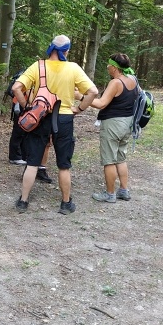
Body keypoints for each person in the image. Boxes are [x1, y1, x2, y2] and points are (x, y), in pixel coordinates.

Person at [11, 35, 98, 214]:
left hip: (40, 117)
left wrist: (27, 106)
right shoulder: (73, 68)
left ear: (50, 48)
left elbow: (16, 88)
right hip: (64, 119)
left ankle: (23, 201)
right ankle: (65, 203)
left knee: (33, 162)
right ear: (66, 51)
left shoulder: (38, 66)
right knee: (63, 164)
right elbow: (93, 92)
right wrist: (79, 108)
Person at [88, 53, 136, 203]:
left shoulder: (116, 83)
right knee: (121, 158)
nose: (107, 68)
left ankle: (110, 194)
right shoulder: (133, 79)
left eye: (109, 65)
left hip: (113, 125)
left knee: (109, 160)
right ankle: (124, 190)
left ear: (114, 68)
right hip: (127, 124)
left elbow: (101, 103)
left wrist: (82, 97)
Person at [9, 92, 53, 183]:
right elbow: (23, 89)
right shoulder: (34, 78)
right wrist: (28, 106)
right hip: (38, 110)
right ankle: (30, 169)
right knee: (32, 139)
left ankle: (40, 169)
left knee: (46, 143)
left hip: (47, 109)